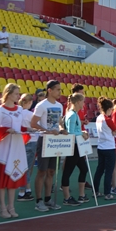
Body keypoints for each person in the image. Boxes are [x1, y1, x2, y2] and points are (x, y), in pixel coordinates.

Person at [0, 83, 29, 218]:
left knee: (13, 178)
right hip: (4, 147)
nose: (18, 96)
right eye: (16, 93)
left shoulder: (20, 109)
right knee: (2, 179)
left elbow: (21, 127)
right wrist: (6, 130)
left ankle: (11, 206)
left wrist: (27, 130)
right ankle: (2, 208)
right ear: (8, 94)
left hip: (17, 146)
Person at [30, 80, 66, 212]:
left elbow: (60, 122)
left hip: (55, 142)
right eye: (57, 89)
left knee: (51, 171)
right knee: (42, 171)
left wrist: (62, 129)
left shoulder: (60, 105)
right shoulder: (41, 105)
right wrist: (47, 131)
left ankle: (47, 198)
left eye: (60, 89)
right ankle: (38, 201)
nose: (59, 92)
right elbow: (33, 123)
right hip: (44, 141)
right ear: (49, 90)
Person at [60, 93, 90, 206]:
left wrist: (81, 133)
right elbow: (71, 133)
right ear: (77, 102)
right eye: (82, 101)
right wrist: (82, 133)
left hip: (78, 146)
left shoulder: (74, 114)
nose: (84, 104)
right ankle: (67, 197)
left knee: (83, 169)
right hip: (74, 146)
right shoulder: (72, 115)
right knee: (68, 171)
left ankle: (81, 195)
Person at [93, 97, 116, 200]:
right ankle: (107, 193)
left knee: (100, 169)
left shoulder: (99, 118)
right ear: (109, 108)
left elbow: (113, 131)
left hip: (101, 147)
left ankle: (96, 191)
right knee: (109, 171)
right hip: (109, 147)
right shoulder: (107, 119)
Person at [17, 94, 38, 202]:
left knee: (22, 166)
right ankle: (24, 191)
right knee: (27, 168)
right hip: (31, 140)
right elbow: (36, 126)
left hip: (20, 141)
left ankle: (25, 190)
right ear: (29, 103)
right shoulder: (30, 114)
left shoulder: (17, 113)